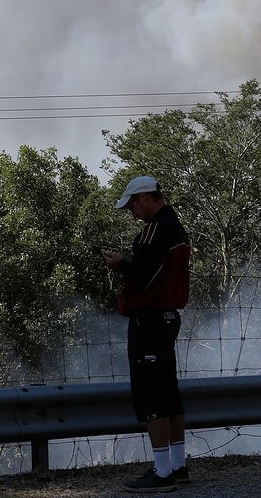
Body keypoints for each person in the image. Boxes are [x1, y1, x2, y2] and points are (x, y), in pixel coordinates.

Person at [101, 175, 192, 493]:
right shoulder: (176, 226)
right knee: (168, 391)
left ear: (145, 198)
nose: (131, 212)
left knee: (151, 394)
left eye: (132, 205)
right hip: (168, 317)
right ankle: (177, 466)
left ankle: (163, 471)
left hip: (149, 321)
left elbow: (143, 279)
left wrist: (123, 264)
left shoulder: (154, 231)